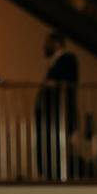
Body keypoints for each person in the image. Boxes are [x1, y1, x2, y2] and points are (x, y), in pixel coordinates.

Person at [34, 31, 78, 181]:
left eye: (48, 43)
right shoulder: (55, 62)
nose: (44, 46)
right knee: (48, 143)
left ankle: (56, 174)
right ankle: (49, 172)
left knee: (56, 143)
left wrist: (52, 84)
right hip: (50, 113)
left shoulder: (67, 59)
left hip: (57, 112)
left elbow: (68, 82)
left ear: (57, 43)